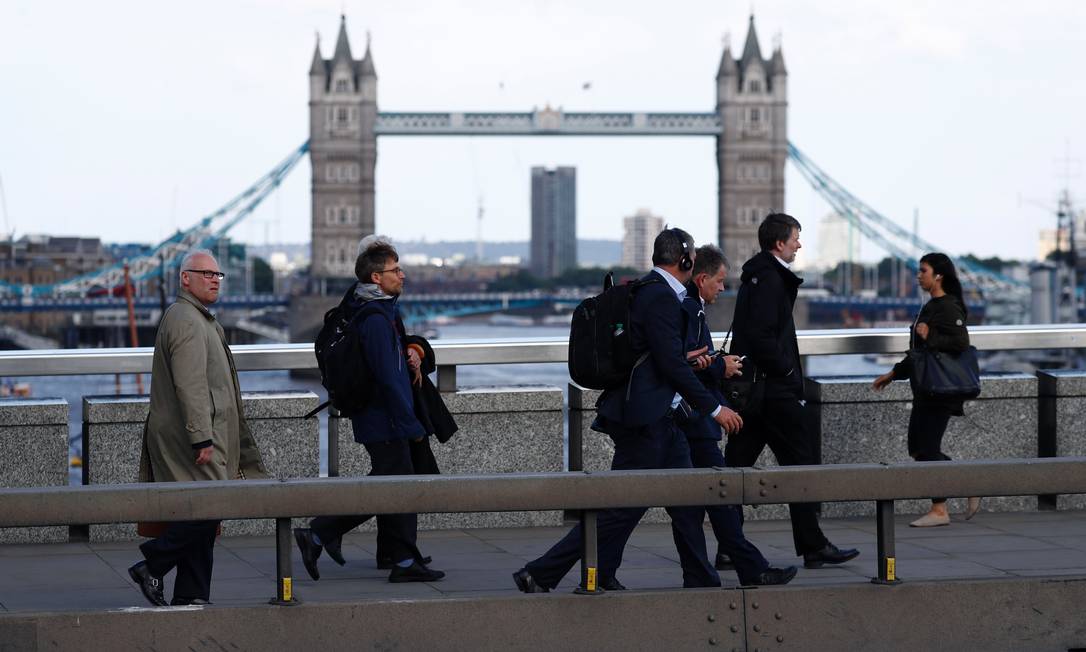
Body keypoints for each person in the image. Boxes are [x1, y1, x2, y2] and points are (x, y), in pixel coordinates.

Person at [513, 228, 741, 593]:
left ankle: (699, 578)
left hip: (662, 420)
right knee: (620, 508)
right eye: (692, 255)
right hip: (646, 421)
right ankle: (540, 572)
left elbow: (663, 357)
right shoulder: (661, 298)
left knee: (685, 502)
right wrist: (714, 408)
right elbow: (670, 364)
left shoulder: (651, 291)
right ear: (684, 260)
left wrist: (691, 365)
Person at [293, 238, 445, 583]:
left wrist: (415, 348)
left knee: (393, 482)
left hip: (377, 413)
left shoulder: (368, 306)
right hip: (385, 416)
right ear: (377, 277)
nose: (402, 275)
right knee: (397, 485)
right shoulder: (375, 317)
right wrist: (411, 424)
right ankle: (319, 534)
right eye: (395, 270)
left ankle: (400, 556)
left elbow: (396, 352)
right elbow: (388, 378)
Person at [128, 249, 269, 607]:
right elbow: (189, 384)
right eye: (204, 273)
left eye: (217, 275)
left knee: (199, 511)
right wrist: (201, 436)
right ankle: (154, 563)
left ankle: (191, 596)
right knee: (209, 506)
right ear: (184, 279)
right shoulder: (188, 321)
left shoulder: (199, 319)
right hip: (192, 436)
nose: (213, 280)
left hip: (200, 433)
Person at [723, 213, 860, 570]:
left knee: (734, 470)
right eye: (796, 238)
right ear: (779, 243)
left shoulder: (756, 276)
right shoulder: (770, 279)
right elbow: (763, 336)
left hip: (755, 393)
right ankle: (813, 546)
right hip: (775, 394)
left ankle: (728, 547)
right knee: (801, 468)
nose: (799, 244)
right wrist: (787, 371)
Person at [676, 244, 797, 586]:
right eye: (719, 281)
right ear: (702, 279)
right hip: (695, 420)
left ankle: (720, 570)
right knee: (713, 496)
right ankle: (740, 568)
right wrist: (719, 366)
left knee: (710, 500)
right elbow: (684, 364)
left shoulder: (689, 307)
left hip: (694, 420)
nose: (723, 288)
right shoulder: (689, 310)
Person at [873, 252, 979, 527]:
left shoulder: (948, 306)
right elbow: (919, 354)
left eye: (923, 270)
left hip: (941, 390)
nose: (918, 275)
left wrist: (928, 335)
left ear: (938, 275)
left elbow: (960, 342)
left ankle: (940, 509)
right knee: (918, 449)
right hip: (925, 388)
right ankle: (969, 482)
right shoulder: (931, 305)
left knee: (928, 447)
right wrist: (893, 373)